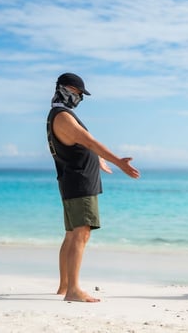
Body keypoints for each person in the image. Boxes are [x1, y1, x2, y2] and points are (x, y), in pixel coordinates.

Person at [46, 72, 140, 302]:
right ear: (65, 89)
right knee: (81, 234)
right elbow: (88, 141)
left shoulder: (58, 115)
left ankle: (65, 286)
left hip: (71, 181)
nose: (80, 99)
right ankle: (73, 290)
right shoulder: (63, 117)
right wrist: (119, 162)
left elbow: (77, 144)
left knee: (71, 235)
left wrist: (97, 158)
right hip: (79, 183)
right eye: (78, 93)